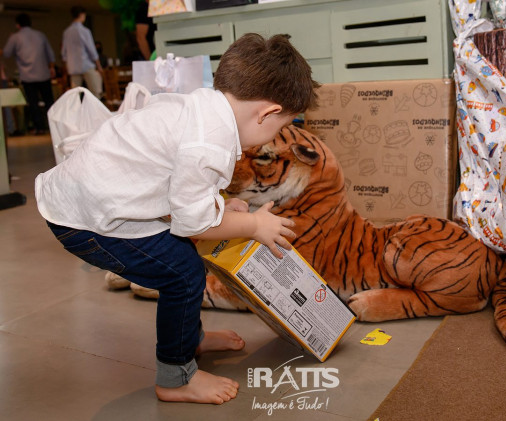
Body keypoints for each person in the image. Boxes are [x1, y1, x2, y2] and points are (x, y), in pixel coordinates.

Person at [35, 33, 319, 404]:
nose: (275, 134)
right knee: (183, 274)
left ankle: (189, 339)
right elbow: (195, 222)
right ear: (266, 113)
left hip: (85, 198)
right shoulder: (210, 143)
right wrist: (253, 225)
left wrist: (219, 206)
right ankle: (176, 377)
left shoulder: (202, 106)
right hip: (85, 221)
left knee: (181, 258)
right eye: (280, 126)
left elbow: (182, 180)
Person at [1, 13, 55, 135]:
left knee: (33, 103)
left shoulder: (15, 37)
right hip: (43, 74)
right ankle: (55, 127)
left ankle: (39, 128)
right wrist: (51, 67)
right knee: (49, 102)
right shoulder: (40, 35)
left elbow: (7, 53)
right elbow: (50, 54)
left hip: (28, 76)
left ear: (17, 25)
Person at [61, 5, 103, 98]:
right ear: (81, 15)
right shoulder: (84, 31)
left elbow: (64, 53)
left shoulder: (67, 32)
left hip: (73, 67)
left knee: (75, 95)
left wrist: (66, 67)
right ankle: (93, 107)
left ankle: (76, 107)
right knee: (95, 92)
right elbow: (91, 50)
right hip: (86, 64)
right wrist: (99, 65)